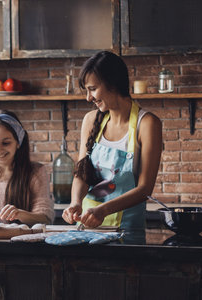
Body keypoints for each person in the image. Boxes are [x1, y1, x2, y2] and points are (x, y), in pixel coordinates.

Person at [62, 51, 162, 231]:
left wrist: (103, 210)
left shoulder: (147, 124)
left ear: (113, 83)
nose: (88, 98)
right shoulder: (90, 120)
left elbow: (145, 189)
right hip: (86, 227)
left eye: (92, 89)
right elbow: (82, 173)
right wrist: (75, 202)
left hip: (126, 231)